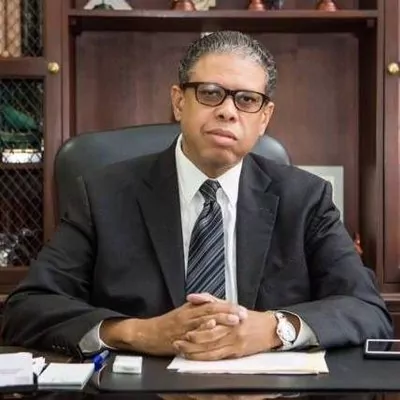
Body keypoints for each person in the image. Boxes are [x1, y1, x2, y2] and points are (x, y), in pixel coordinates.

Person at [1, 31, 392, 360]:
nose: (228, 111)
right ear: (178, 102)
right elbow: (27, 308)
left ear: (264, 118)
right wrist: (137, 332)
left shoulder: (306, 198)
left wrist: (275, 328)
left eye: (246, 100)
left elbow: (366, 307)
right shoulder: (103, 195)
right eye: (210, 93)